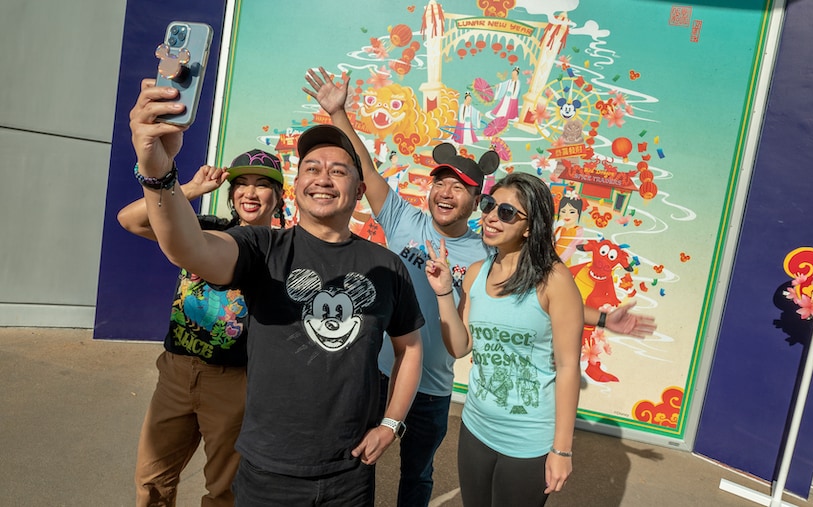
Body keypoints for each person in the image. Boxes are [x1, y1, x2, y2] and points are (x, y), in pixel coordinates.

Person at [303, 67, 657, 506]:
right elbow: (365, 167)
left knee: (416, 477)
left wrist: (602, 318)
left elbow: (533, 297)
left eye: (462, 188)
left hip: (432, 386)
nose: (446, 193)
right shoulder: (401, 219)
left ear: (476, 201)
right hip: (376, 374)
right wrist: (339, 113)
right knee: (357, 465)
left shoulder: (486, 254)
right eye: (440, 183)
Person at [128, 78, 424, 506]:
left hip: (351, 473)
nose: (324, 178)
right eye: (312, 169)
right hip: (268, 473)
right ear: (296, 187)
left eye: (339, 170)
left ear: (359, 191)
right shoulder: (261, 247)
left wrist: (391, 424)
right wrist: (159, 173)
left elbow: (410, 348)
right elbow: (188, 248)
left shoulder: (386, 266)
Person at [118, 148, 284, 507]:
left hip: (235, 381)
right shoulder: (204, 228)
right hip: (177, 371)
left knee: (224, 490)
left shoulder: (283, 250)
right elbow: (131, 220)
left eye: (262, 185)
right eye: (241, 184)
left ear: (279, 196)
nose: (250, 193)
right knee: (151, 481)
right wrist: (190, 189)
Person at [423, 172, 582, 506]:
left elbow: (568, 367)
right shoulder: (477, 273)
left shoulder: (555, 281)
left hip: (528, 441)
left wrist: (562, 449)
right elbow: (461, 346)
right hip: (476, 428)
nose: (492, 216)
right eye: (489, 205)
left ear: (529, 226)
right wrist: (442, 294)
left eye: (506, 212)